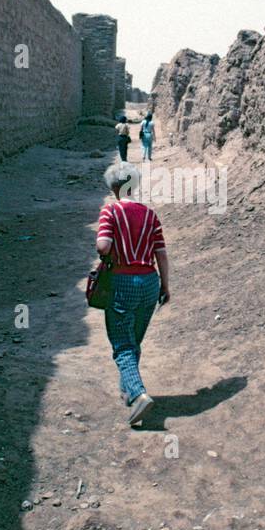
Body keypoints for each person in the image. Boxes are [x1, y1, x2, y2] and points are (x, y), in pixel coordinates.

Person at [96, 162, 170, 426]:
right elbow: (161, 252)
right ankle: (127, 389)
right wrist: (165, 286)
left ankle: (138, 395)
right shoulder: (150, 215)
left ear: (114, 188)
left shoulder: (110, 212)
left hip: (122, 282)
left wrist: (110, 248)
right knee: (133, 338)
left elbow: (103, 246)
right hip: (150, 282)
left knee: (122, 344)